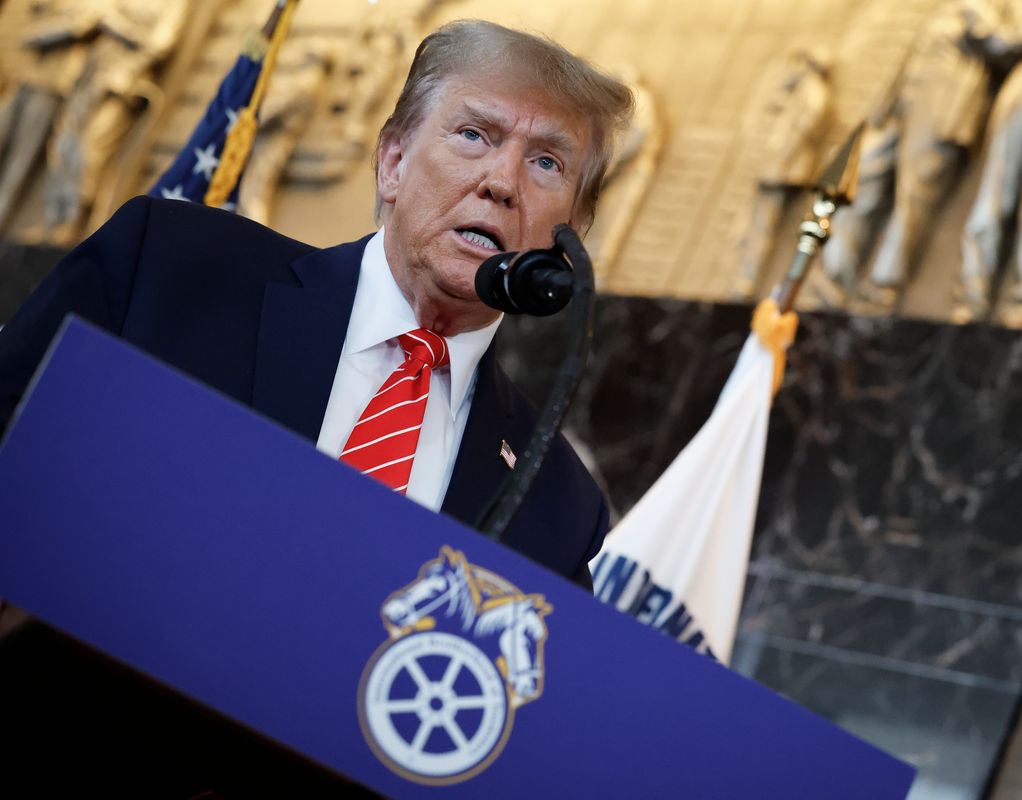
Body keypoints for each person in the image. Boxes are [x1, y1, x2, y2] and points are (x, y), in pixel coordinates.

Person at [0, 19, 634, 590]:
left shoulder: (557, 502)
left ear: (572, 231)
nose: (501, 182)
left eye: (546, 162)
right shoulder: (168, 270)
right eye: (473, 134)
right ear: (392, 162)